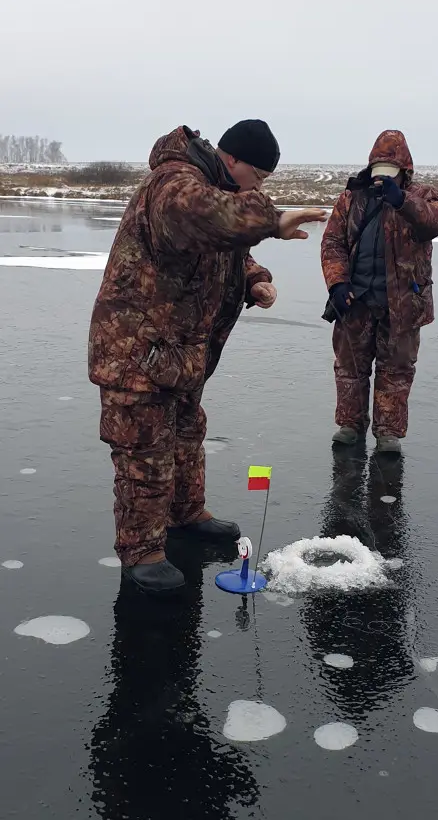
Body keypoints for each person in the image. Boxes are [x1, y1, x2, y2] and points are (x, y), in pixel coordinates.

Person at [88, 119, 325, 594]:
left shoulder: (212, 190)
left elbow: (223, 249)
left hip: (178, 355)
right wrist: (271, 221)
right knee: (144, 450)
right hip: (138, 350)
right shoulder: (173, 184)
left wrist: (253, 277)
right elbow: (204, 218)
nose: (260, 185)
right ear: (232, 160)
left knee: (186, 435)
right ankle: (142, 552)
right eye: (258, 174)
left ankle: (185, 515)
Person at [321, 129, 438, 452]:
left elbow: (435, 222)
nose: (382, 176)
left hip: (403, 305)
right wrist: (337, 283)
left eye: (388, 170)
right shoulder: (351, 198)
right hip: (356, 301)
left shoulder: (423, 196)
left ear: (403, 169)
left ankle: (388, 434)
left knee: (396, 371)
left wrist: (402, 201)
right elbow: (332, 243)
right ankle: (350, 425)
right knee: (350, 369)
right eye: (377, 169)